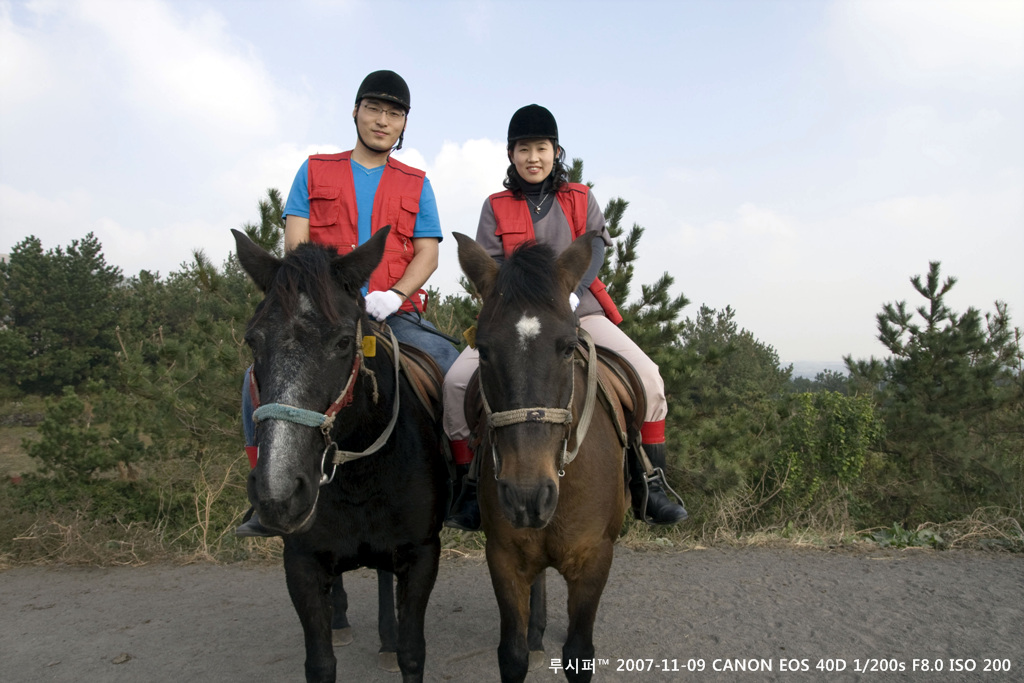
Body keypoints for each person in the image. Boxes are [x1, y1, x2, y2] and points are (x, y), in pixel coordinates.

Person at [442, 104, 688, 531]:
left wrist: (571, 294)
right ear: (511, 154)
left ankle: (650, 483)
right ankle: (467, 488)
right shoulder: (495, 205)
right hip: (516, 323)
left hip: (578, 312)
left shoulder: (580, 197)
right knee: (455, 383)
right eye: (523, 149)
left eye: (541, 148)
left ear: (556, 152)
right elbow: (490, 268)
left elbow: (594, 250)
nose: (532, 157)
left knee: (649, 378)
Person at [236, 70, 459, 537]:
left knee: (453, 367)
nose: (382, 120)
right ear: (355, 112)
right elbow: (297, 247)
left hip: (393, 314)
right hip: (325, 315)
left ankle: (462, 485)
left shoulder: (417, 182)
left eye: (394, 113)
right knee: (252, 382)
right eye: (374, 109)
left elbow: (429, 253)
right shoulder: (314, 170)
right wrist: (329, 298)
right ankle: (263, 491)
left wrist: (394, 295)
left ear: (404, 124)